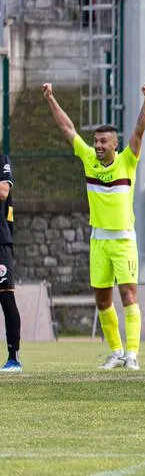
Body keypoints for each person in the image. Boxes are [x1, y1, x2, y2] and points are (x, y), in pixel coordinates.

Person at [42, 82, 145, 371]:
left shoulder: (127, 161)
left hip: (123, 240)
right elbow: (68, 129)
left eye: (104, 141)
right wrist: (51, 99)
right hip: (98, 240)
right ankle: (116, 352)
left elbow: (140, 131)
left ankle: (132, 354)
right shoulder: (89, 159)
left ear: (115, 144)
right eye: (96, 141)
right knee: (102, 299)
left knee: (129, 295)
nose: (98, 145)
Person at [0, 154, 21, 372]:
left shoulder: (1, 160)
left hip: (0, 242)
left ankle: (13, 357)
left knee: (6, 297)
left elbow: (3, 191)